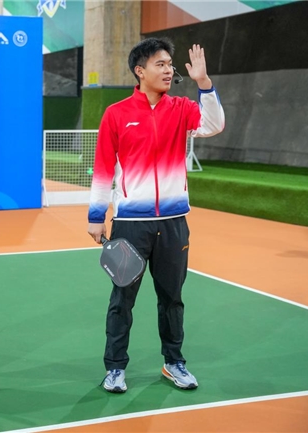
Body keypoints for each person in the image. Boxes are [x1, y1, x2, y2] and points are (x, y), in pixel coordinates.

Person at [87, 38, 225, 393]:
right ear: (140, 70)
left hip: (174, 223)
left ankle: (174, 362)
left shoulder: (182, 108)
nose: (168, 71)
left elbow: (214, 124)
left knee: (172, 298)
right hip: (131, 225)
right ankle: (115, 367)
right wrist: (96, 215)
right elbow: (103, 168)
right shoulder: (116, 114)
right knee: (122, 300)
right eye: (160, 64)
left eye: (170, 65)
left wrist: (204, 83)